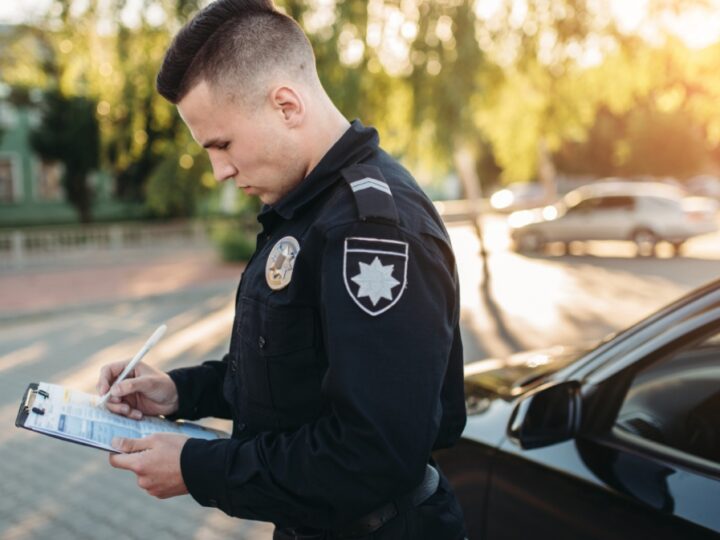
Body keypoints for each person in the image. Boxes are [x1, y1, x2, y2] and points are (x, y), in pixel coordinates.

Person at [97, 1, 467, 538]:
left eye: (221, 144)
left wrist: (198, 468)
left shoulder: (372, 231)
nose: (219, 170)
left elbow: (371, 454)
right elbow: (292, 373)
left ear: (286, 105)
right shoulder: (307, 209)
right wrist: (180, 392)